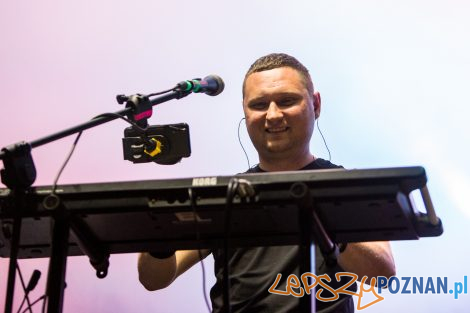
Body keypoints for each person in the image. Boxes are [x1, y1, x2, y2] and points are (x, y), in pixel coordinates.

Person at [138, 53, 396, 312]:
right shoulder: (223, 196)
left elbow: (382, 274)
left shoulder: (347, 186)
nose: (272, 115)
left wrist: (328, 219)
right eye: (259, 105)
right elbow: (154, 279)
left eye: (286, 101)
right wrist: (162, 237)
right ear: (245, 111)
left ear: (315, 105)